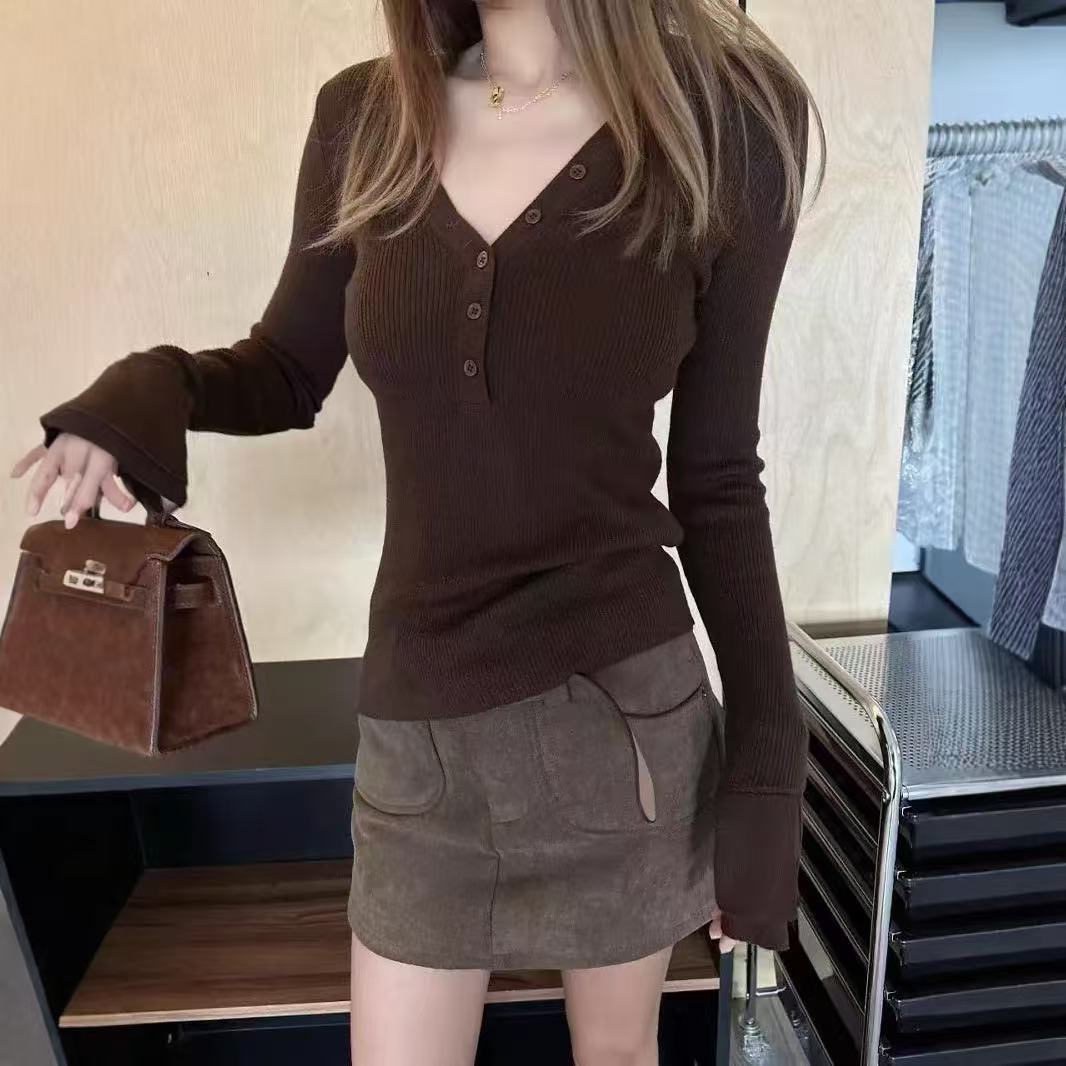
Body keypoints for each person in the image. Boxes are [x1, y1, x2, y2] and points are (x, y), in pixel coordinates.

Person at [11, 1, 825, 1062]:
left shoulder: (725, 122)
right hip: (418, 730)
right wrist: (147, 386)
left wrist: (768, 767)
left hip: (618, 726)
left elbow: (717, 478)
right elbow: (286, 368)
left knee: (618, 1054)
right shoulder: (365, 120)